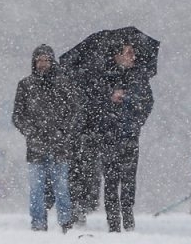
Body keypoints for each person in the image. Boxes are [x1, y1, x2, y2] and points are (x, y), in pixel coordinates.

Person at [12, 44, 81, 232]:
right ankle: (38, 223)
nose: (43, 64)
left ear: (52, 61)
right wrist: (31, 131)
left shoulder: (63, 84)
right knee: (36, 189)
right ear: (34, 62)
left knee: (62, 187)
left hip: (59, 146)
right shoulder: (25, 85)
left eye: (46, 60)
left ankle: (65, 222)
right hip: (36, 147)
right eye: (39, 60)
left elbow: (75, 111)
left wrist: (63, 131)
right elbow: (17, 116)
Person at [88, 42, 154, 232]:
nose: (133, 57)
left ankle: (128, 218)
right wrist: (110, 97)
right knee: (110, 180)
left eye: (133, 53)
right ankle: (113, 222)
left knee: (129, 180)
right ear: (117, 56)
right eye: (128, 53)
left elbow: (147, 102)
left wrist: (128, 102)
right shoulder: (103, 76)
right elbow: (94, 103)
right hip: (108, 136)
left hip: (129, 136)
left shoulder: (139, 77)